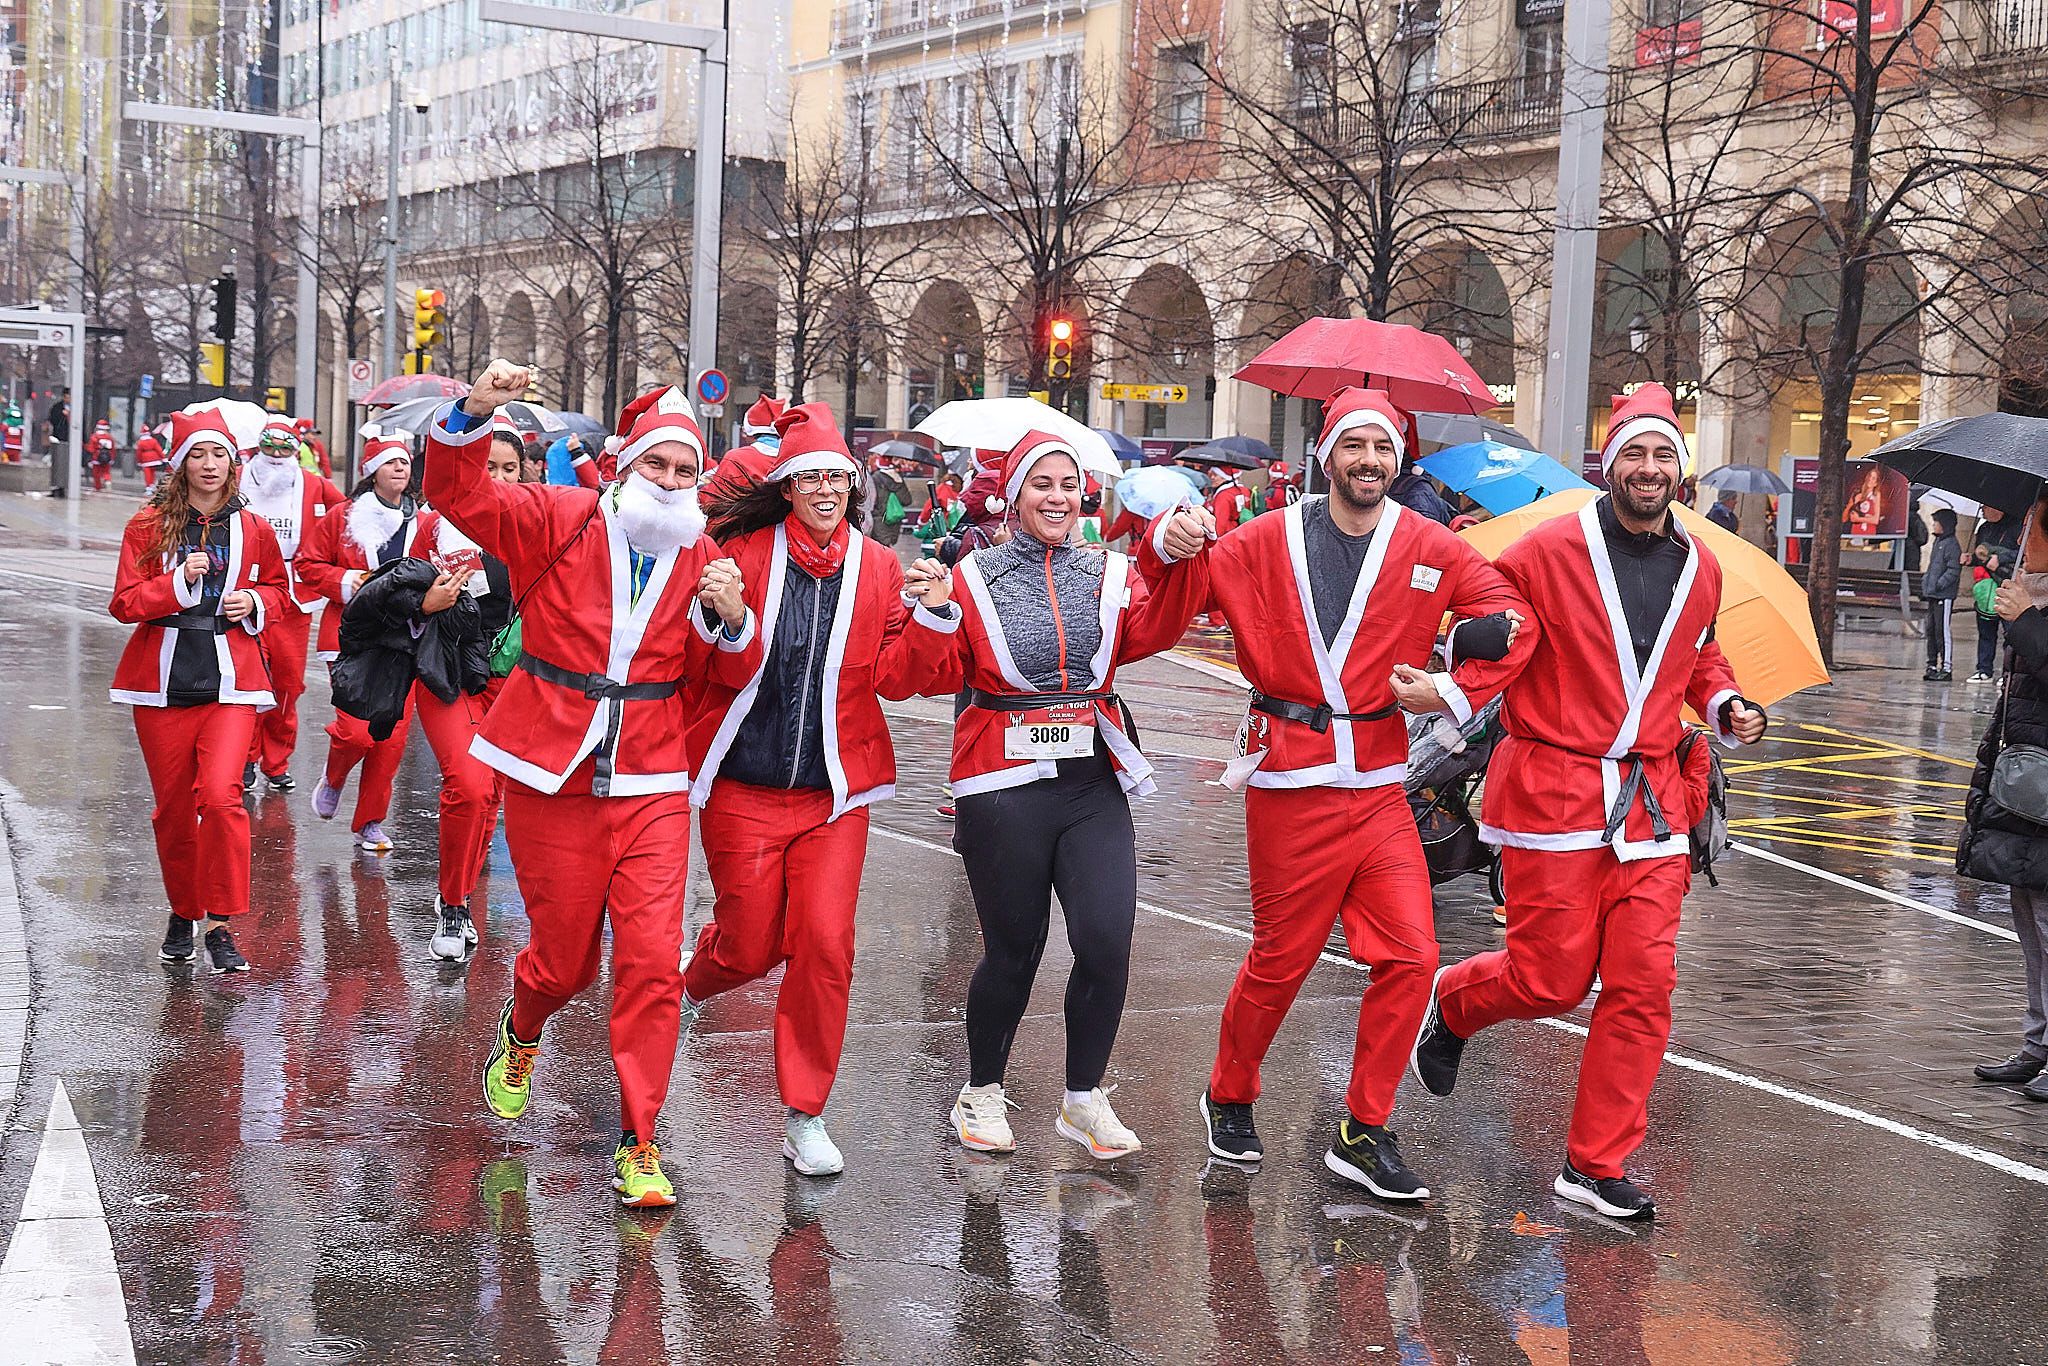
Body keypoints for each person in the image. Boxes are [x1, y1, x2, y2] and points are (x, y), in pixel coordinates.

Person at [1161, 387, 1536, 1199]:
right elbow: (1170, 605)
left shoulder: (1428, 542)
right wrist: (1170, 542)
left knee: (1413, 954)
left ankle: (1365, 1129)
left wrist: (1453, 690)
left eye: (1383, 450)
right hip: (1290, 781)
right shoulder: (1263, 539)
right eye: (1354, 447)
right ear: (1327, 455)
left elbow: (1511, 618)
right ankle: (1229, 1092)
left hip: (1377, 785)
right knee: (1282, 960)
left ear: (1398, 462)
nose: (1369, 462)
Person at [1411, 382, 1769, 1221]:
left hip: (1650, 799)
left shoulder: (1702, 566)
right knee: (1551, 979)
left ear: (1679, 471)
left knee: (1644, 984)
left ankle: (1594, 1164)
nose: (1648, 469)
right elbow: (1491, 629)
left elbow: (1698, 658)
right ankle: (1455, 1002)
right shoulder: (1547, 550)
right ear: (1609, 462)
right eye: (1634, 453)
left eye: (1662, 456)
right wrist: (1446, 685)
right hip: (1555, 790)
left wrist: (1726, 708)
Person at [429, 359, 759, 1209]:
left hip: (650, 774)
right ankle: (523, 1025)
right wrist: (474, 409)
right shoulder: (563, 517)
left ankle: (640, 1138)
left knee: (652, 963)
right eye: (659, 464)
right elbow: (463, 499)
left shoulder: (704, 553)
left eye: (688, 471)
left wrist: (730, 621)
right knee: (567, 963)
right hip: (552, 767)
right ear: (625, 465)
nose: (673, 481)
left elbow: (726, 670)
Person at [682, 402, 960, 1176]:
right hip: (744, 784)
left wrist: (932, 618)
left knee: (826, 945)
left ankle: (805, 1112)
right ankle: (690, 979)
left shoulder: (877, 567)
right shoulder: (740, 553)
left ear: (853, 484)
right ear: (788, 486)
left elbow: (898, 680)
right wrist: (728, 617)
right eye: (810, 476)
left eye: (838, 474)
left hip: (835, 796)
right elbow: (703, 670)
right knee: (747, 944)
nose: (826, 488)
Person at [925, 430, 1210, 1161]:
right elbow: (910, 674)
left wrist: (1175, 556)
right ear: (1013, 497)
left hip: (1090, 780)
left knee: (1107, 939)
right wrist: (927, 614)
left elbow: (1152, 626)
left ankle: (1082, 1100)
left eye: (1067, 485)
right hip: (1002, 784)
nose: (1056, 498)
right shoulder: (970, 575)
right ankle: (981, 1090)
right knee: (1015, 952)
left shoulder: (1108, 571)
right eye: (1040, 485)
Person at [108, 407, 289, 973]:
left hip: (230, 682)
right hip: (159, 684)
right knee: (173, 810)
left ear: (234, 462)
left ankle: (222, 923)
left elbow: (282, 592)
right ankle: (183, 911)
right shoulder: (147, 524)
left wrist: (255, 602)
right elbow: (124, 604)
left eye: (219, 455)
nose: (208, 465)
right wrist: (176, 585)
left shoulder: (254, 527)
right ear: (179, 462)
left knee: (221, 796)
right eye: (197, 454)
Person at [297, 432, 439, 852]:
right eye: (389, 462)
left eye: (404, 462)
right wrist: (346, 581)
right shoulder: (344, 517)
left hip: (406, 640)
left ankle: (369, 823)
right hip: (351, 637)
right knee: (357, 733)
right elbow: (307, 563)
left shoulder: (426, 520)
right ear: (370, 472)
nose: (400, 468)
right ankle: (334, 776)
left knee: (389, 740)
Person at [415, 414, 521, 962]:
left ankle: (461, 885)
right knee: (471, 785)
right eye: (488, 466)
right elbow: (395, 594)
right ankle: (453, 905)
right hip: (448, 672)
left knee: (491, 798)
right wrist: (425, 602)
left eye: (509, 468)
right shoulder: (435, 525)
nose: (498, 478)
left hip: (514, 681)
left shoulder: (541, 524)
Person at [1961, 493, 2048, 1100]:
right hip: (2027, 782)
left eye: (2037, 529)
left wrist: (2026, 624)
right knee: (2030, 917)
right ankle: (2039, 1041)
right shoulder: (2033, 595)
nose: (2025, 539)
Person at [238, 417, 347, 793]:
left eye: (286, 448)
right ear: (258, 447)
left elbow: (349, 514)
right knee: (249, 679)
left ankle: (276, 760)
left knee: (286, 683)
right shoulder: (237, 477)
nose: (277, 455)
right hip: (245, 593)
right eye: (270, 447)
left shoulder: (314, 485)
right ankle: (246, 758)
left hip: (293, 598)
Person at [1973, 506, 2020, 683]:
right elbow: (1980, 556)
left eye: (1985, 507)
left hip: (2007, 585)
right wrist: (1971, 558)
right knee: (1986, 629)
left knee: (2010, 632)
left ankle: (2008, 672)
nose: (1982, 510)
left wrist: (2000, 557)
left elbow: (2020, 553)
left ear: (1997, 509)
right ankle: (1984, 669)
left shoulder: (2015, 527)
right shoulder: (1984, 528)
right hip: (1986, 587)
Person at [1923, 508, 1961, 683]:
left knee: (1942, 630)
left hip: (1943, 595)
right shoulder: (1938, 543)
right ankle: (1931, 663)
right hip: (1933, 594)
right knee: (1930, 629)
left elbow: (1953, 570)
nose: (1934, 525)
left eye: (1936, 522)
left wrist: (1939, 584)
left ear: (1945, 525)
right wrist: (1927, 584)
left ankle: (1946, 666)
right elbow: (1932, 568)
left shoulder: (1952, 545)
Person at [88, 418, 117, 491]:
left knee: (96, 473)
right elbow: (113, 448)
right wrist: (112, 458)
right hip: (107, 457)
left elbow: (91, 449)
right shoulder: (109, 437)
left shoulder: (94, 437)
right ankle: (107, 481)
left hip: (96, 457)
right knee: (106, 471)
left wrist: (90, 458)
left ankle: (98, 487)